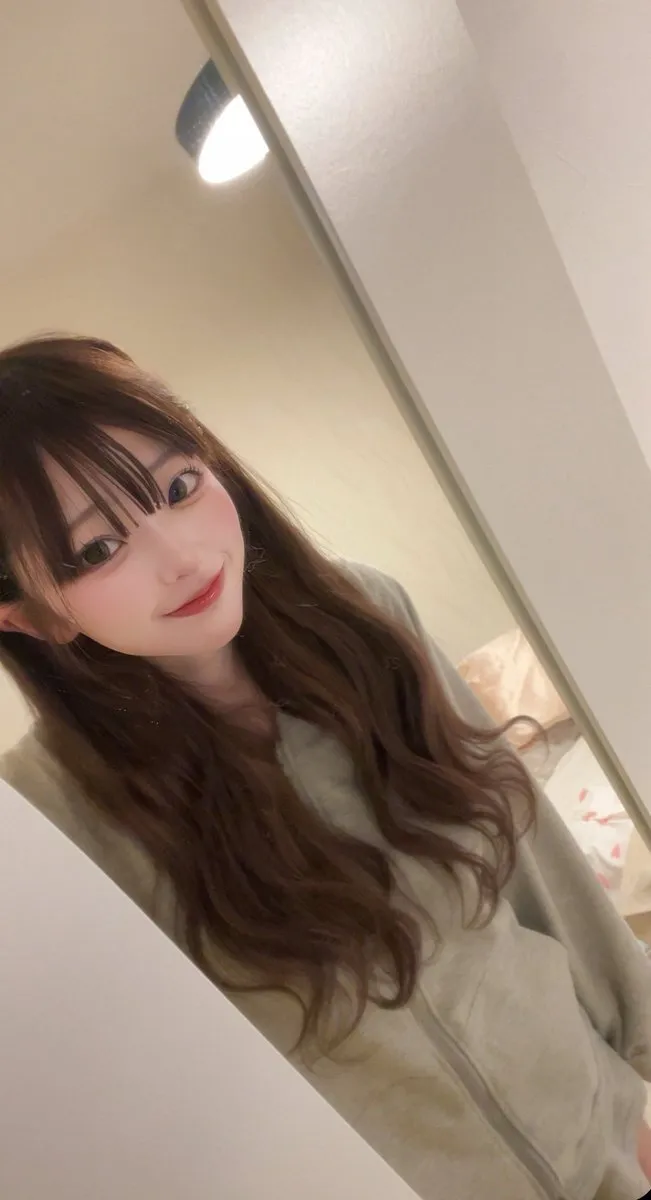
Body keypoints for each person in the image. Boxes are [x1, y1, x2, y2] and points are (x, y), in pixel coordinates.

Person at [0, 333, 650, 1200]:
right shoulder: (46, 818)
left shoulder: (362, 614)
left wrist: (634, 1074)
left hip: (609, 1142)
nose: (181, 556)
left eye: (179, 488)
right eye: (95, 549)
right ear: (28, 617)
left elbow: (533, 859)